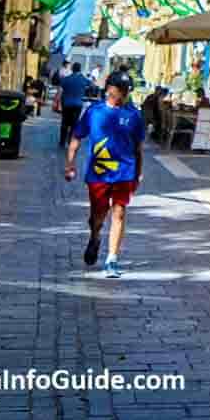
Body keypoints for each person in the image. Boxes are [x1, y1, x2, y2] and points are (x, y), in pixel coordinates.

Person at [65, 73, 147, 278]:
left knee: (118, 213)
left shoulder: (134, 115)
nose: (125, 93)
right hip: (99, 173)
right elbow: (77, 137)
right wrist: (70, 164)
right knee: (97, 215)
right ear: (110, 88)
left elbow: (138, 147)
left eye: (127, 89)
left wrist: (138, 172)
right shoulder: (94, 112)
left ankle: (112, 259)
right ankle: (95, 236)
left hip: (124, 172)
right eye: (122, 88)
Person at [57, 62, 93, 148]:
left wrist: (57, 102)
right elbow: (91, 84)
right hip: (78, 104)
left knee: (64, 123)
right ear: (80, 69)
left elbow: (60, 90)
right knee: (74, 123)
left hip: (66, 104)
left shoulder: (66, 79)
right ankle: (70, 140)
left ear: (72, 69)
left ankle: (62, 142)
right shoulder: (83, 79)